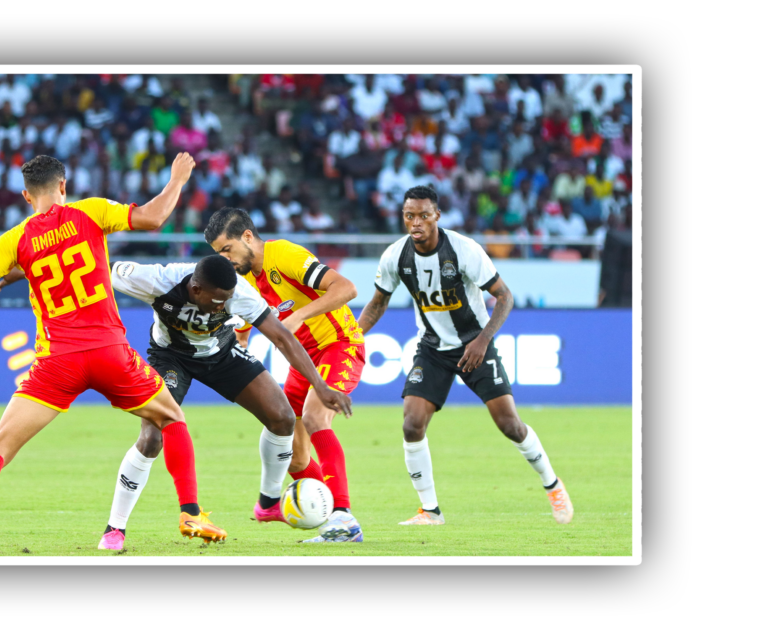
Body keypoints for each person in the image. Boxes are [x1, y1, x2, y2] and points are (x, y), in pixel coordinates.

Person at [0, 152, 232, 555]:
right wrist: (177, 180)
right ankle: (190, 512)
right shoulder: (91, 213)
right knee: (171, 417)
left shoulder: (14, 241)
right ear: (64, 187)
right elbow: (153, 217)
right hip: (110, 352)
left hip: (57, 362)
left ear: (25, 196)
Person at [95, 255, 354, 549]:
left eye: (227, 300)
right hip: (170, 358)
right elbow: (100, 269)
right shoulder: (156, 279)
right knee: (152, 436)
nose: (223, 306)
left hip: (221, 353)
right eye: (218, 300)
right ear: (195, 289)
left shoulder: (239, 292)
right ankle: (115, 529)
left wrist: (320, 386)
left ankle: (268, 503)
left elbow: (282, 338)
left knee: (282, 417)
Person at [355, 184, 574, 526]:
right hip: (431, 349)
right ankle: (430, 511)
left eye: (424, 215)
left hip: (475, 344)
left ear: (437, 216)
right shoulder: (395, 256)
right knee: (412, 425)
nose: (416, 223)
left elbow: (504, 297)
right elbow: (378, 303)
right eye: (409, 216)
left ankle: (553, 485)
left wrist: (483, 340)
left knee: (510, 425)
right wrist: (350, 337)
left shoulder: (463, 250)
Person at [206, 208, 367, 543]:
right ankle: (326, 516)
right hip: (304, 361)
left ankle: (344, 516)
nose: (224, 259)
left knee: (314, 417)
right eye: (217, 254)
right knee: (290, 447)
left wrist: (299, 317)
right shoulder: (245, 279)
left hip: (339, 345)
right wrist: (241, 336)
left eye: (227, 250)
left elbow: (347, 288)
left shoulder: (285, 255)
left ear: (247, 237)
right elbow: (246, 322)